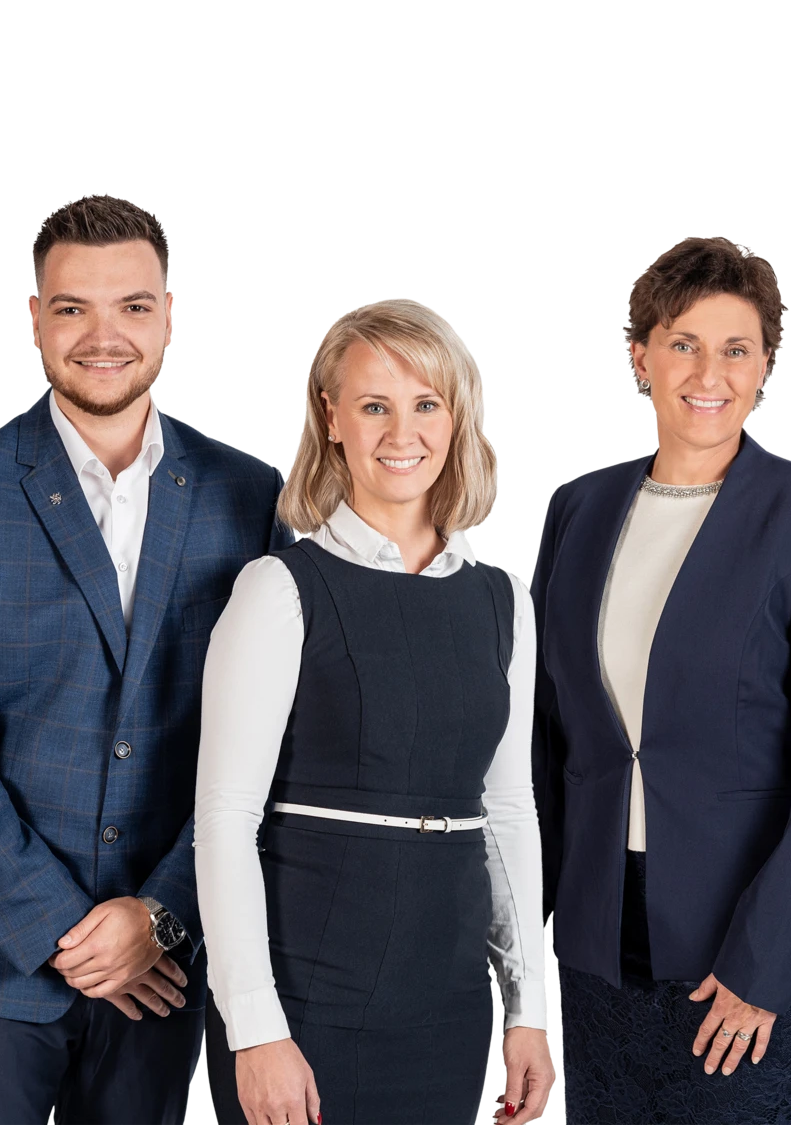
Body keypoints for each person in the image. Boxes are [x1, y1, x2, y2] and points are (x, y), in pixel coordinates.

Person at [0, 193, 288, 1124]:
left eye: (133, 306)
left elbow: (268, 745)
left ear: (168, 315)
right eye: (73, 307)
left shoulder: (252, 497)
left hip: (163, 967)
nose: (104, 336)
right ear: (34, 317)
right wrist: (64, 928)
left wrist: (160, 915)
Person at [530, 235, 791, 1122]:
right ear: (640, 355)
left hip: (749, 947)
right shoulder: (578, 509)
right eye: (683, 343)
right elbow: (546, 728)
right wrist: (527, 934)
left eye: (736, 348)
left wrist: (765, 962)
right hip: (600, 936)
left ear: (765, 364)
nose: (708, 373)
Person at [194, 299, 555, 1125]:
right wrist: (256, 1030)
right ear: (331, 418)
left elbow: (508, 812)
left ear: (456, 416)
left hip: (447, 1007)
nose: (403, 433)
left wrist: (529, 1009)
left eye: (426, 404)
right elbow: (224, 821)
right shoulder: (279, 590)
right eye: (373, 406)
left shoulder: (503, 600)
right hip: (306, 1006)